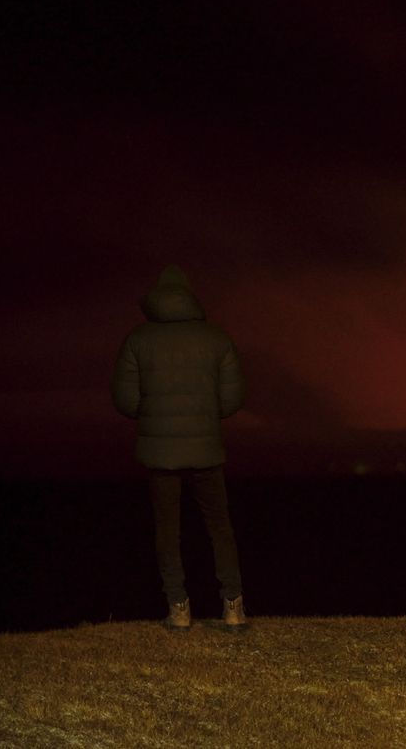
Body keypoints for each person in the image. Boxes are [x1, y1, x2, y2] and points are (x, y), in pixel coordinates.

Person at [110, 265, 248, 632]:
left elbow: (125, 401)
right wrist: (202, 415)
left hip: (160, 456)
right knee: (220, 527)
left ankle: (179, 609)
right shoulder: (216, 339)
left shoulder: (137, 340)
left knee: (167, 532)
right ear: (190, 297)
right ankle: (233, 608)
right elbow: (232, 400)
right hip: (207, 450)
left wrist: (156, 414)